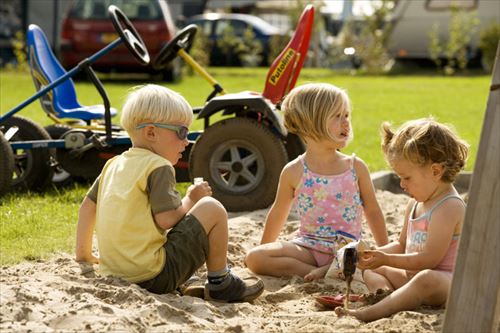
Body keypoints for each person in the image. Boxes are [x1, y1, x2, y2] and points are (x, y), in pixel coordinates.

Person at [75, 84, 263, 302]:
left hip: (115, 273)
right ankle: (221, 282)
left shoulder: (113, 165)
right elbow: (167, 220)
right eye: (182, 132)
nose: (186, 141)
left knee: (169, 236)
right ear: (151, 132)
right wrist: (192, 198)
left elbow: (87, 208)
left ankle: (189, 280)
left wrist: (84, 254)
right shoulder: (158, 165)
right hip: (153, 277)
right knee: (212, 208)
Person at [245, 83, 388, 281]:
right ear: (310, 123)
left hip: (347, 250)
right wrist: (265, 247)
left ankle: (330, 270)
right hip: (307, 249)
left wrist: (384, 253)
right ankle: (321, 273)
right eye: (337, 116)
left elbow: (372, 210)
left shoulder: (355, 167)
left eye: (346, 115)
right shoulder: (294, 171)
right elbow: (278, 213)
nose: (346, 122)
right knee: (255, 258)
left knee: (353, 258)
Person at [336, 118, 469, 322]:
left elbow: (429, 260)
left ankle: (370, 313)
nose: (402, 185)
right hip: (411, 277)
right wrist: (373, 255)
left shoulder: (449, 207)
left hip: (444, 282)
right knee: (373, 270)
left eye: (407, 178)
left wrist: (387, 259)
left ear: (435, 171)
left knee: (426, 278)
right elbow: (401, 245)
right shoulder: (415, 203)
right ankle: (387, 297)